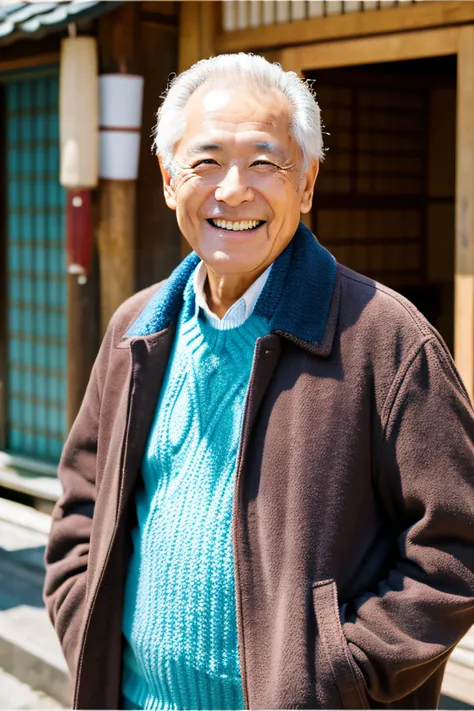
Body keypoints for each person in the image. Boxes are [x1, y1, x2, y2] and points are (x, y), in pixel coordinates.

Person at [44, 53, 474, 711]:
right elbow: (82, 501)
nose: (234, 189)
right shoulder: (137, 328)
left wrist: (336, 675)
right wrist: (86, 626)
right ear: (168, 179)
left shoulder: (386, 339)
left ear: (306, 185)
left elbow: (456, 545)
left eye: (265, 163)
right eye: (206, 161)